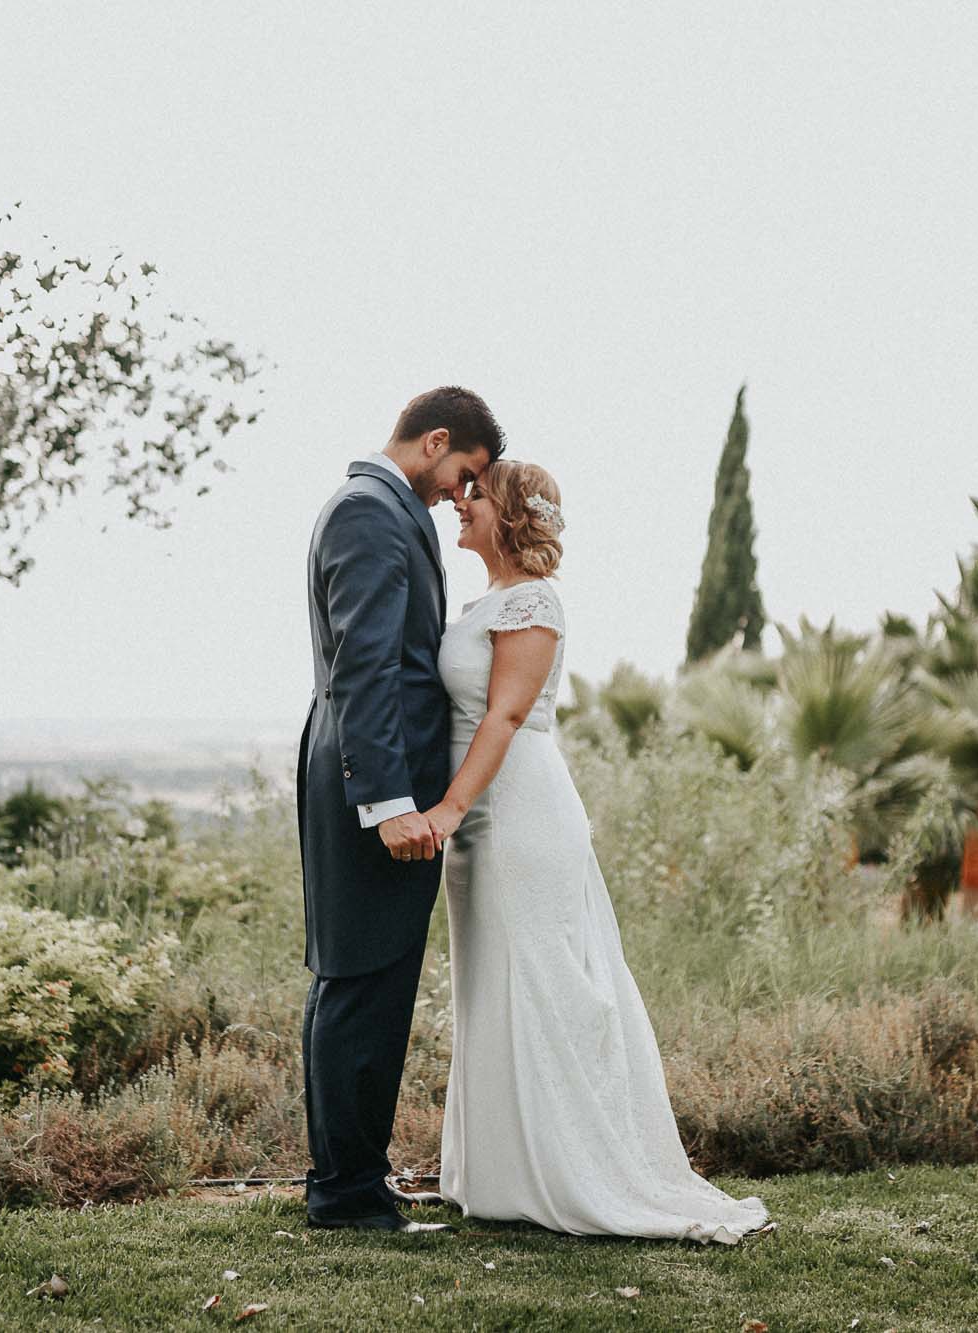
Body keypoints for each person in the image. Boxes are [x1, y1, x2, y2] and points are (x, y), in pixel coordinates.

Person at [426, 459, 770, 1244]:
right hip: (481, 815)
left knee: (543, 976)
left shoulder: (534, 602)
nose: (459, 505)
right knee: (491, 977)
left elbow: (505, 717)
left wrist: (448, 807)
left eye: (472, 495)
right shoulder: (485, 600)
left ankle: (578, 1168)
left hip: (516, 809)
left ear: (507, 513)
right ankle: (498, 1171)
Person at [296, 386, 500, 1232]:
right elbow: (367, 667)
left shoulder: (373, 507)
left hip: (372, 784)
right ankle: (346, 1195)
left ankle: (351, 1180)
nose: (462, 493)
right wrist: (387, 802)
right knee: (361, 985)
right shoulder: (371, 513)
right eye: (466, 474)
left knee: (362, 981)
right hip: (373, 792)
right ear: (436, 440)